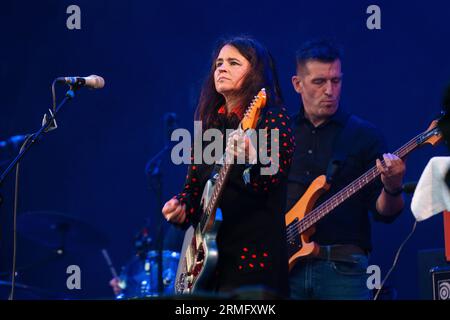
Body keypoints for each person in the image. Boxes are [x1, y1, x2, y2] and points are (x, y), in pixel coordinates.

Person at [162, 36, 295, 298]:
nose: (221, 68)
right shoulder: (210, 128)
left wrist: (252, 156)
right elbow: (193, 192)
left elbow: (274, 177)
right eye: (219, 63)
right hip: (207, 269)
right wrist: (180, 207)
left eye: (234, 62)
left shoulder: (272, 116)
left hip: (252, 265)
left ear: (256, 73)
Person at [287, 39, 406, 300]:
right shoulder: (281, 133)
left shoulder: (364, 135)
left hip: (343, 270)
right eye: (319, 82)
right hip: (285, 271)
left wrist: (393, 186)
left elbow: (386, 213)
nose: (330, 91)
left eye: (336, 81)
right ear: (298, 84)